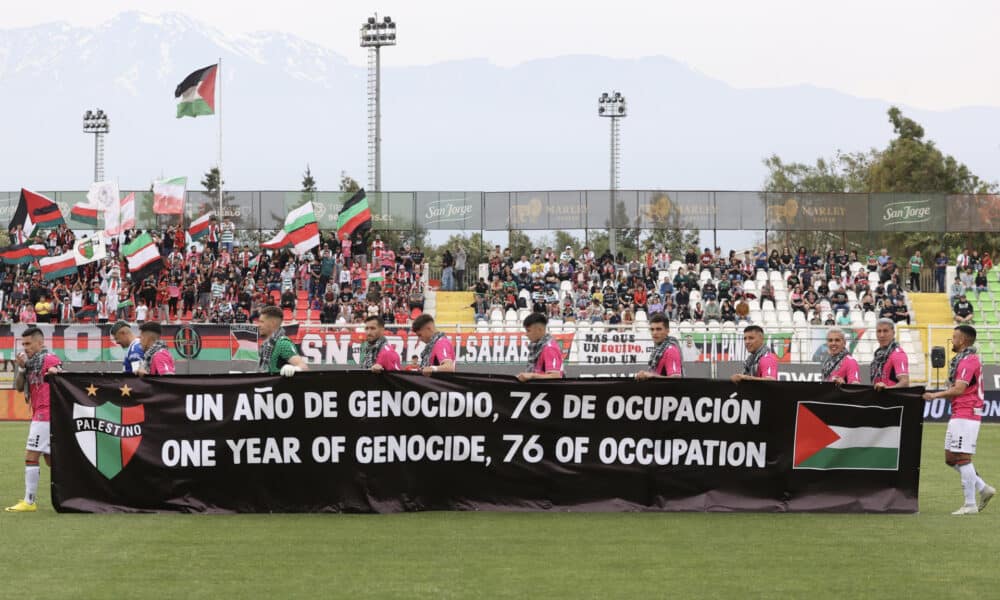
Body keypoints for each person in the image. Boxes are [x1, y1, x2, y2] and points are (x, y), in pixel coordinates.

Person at [922, 325, 995, 514]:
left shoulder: (969, 361)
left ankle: (970, 504)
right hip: (959, 412)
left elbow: (959, 389)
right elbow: (955, 390)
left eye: (954, 337)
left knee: (962, 457)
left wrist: (935, 395)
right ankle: (982, 488)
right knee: (950, 458)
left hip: (967, 412)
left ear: (963, 340)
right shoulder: (961, 360)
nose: (952, 340)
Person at [6, 327, 62, 512]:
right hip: (39, 414)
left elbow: (64, 379)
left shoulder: (50, 359)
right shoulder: (30, 364)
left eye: (28, 343)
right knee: (50, 460)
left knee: (31, 455)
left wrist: (57, 372)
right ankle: (82, 487)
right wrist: (21, 368)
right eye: (23, 344)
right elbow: (19, 388)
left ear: (40, 342)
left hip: (46, 414)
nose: (25, 347)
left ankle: (29, 501)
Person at [257, 305, 308, 376]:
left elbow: (304, 367)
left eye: (262, 322)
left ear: (272, 323)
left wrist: (295, 369)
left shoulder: (283, 343)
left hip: (279, 386)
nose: (258, 325)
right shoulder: (265, 344)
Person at [516, 312, 564, 382]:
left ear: (540, 330)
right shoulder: (539, 347)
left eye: (528, 330)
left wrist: (532, 376)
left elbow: (556, 376)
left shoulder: (549, 348)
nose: (526, 334)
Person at [635, 313, 683, 380]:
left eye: (658, 329)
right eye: (652, 329)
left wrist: (653, 376)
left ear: (667, 331)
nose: (654, 333)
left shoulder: (671, 350)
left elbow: (676, 379)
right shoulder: (658, 349)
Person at [871, 318, 909, 390]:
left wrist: (887, 389)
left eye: (885, 331)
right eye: (879, 331)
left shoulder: (898, 354)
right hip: (879, 399)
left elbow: (905, 382)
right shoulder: (878, 355)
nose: (882, 335)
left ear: (893, 333)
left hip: (893, 399)